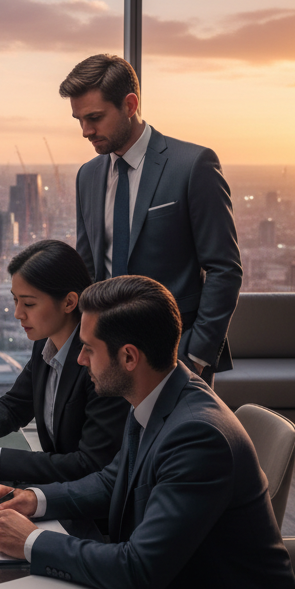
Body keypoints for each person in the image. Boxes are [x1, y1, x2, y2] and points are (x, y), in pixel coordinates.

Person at [0, 275, 295, 589]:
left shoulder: (198, 436)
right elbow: (114, 480)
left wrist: (32, 543)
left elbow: (139, 569)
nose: (80, 358)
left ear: (129, 357)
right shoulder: (159, 394)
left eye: (90, 348)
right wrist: (33, 500)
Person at [60, 53, 241, 381]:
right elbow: (87, 270)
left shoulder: (192, 165)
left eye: (95, 117)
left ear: (129, 105)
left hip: (176, 359)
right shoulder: (87, 176)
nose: (86, 131)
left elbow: (224, 269)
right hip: (105, 358)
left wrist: (196, 356)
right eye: (79, 119)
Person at [0, 239, 127, 484]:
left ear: (69, 302)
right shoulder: (46, 342)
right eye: (15, 300)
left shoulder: (99, 361)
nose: (18, 313)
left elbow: (90, 464)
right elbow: (16, 404)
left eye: (28, 303)